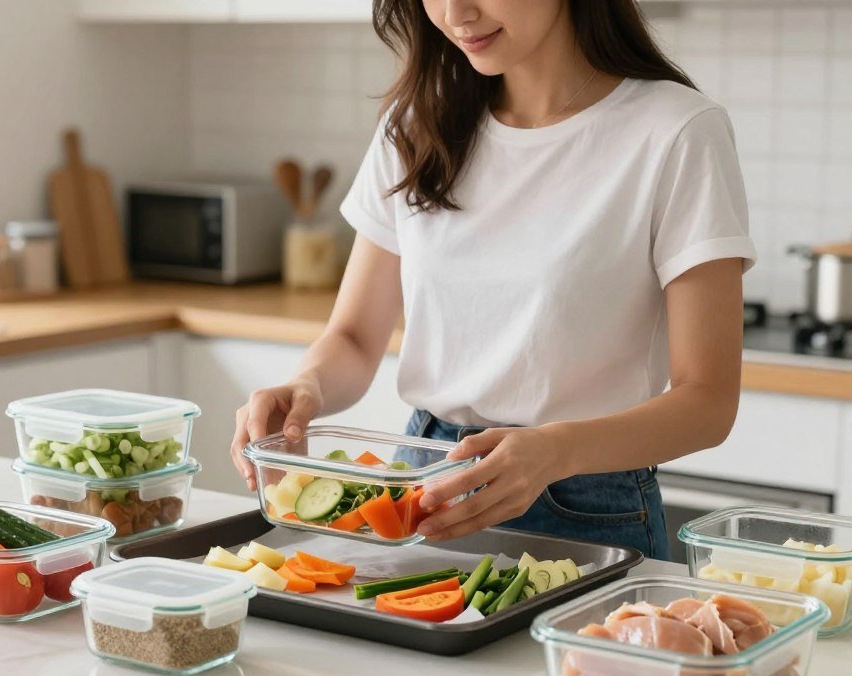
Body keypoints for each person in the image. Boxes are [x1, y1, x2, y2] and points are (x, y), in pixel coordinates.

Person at [230, 0, 755, 560]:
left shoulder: (677, 131)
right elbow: (356, 338)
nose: (456, 13)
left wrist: (555, 451)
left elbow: (708, 402)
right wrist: (307, 386)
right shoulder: (415, 125)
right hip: (421, 490)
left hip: (585, 505)